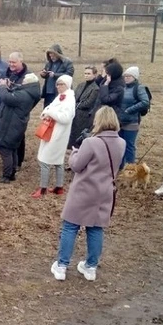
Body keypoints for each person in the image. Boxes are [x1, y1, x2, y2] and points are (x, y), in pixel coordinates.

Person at [51, 106, 125, 282]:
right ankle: (90, 267)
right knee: (96, 228)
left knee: (70, 226)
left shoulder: (91, 142)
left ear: (98, 121)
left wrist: (75, 150)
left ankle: (62, 266)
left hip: (83, 191)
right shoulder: (122, 143)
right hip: (105, 192)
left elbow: (76, 165)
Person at [0, 73, 42, 183]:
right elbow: (13, 96)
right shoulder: (29, 93)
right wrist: (9, 87)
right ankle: (12, 173)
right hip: (15, 125)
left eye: (24, 81)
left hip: (10, 125)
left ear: (28, 83)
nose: (22, 83)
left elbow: (7, 98)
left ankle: (7, 175)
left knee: (5, 149)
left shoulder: (24, 94)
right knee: (12, 149)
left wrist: (3, 86)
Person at [33, 76, 76, 198]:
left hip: (58, 134)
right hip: (51, 130)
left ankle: (43, 188)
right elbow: (49, 107)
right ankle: (59, 187)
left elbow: (66, 118)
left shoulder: (69, 99)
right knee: (58, 160)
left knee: (45, 159)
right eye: (57, 84)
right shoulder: (60, 97)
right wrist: (47, 113)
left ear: (67, 85)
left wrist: (50, 113)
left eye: (61, 84)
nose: (58, 87)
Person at [117, 67, 150, 169]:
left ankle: (131, 169)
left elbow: (145, 102)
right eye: (125, 76)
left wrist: (130, 110)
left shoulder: (139, 88)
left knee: (129, 146)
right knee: (120, 145)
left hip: (132, 122)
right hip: (120, 121)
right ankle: (120, 167)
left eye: (129, 76)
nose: (126, 78)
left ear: (134, 77)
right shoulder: (122, 87)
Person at [70, 66, 99, 150]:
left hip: (84, 116)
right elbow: (74, 97)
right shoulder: (80, 85)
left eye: (89, 74)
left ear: (94, 75)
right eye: (85, 73)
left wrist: (77, 105)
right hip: (74, 113)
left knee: (79, 136)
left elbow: (88, 103)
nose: (86, 75)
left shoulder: (95, 89)